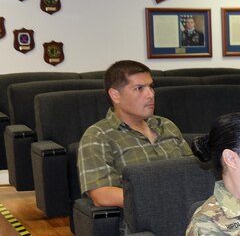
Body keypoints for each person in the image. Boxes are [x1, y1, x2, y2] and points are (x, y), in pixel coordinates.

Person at [77, 60, 192, 208]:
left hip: (189, 211)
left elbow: (191, 171)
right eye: (139, 88)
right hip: (143, 219)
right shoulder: (97, 136)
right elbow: (101, 195)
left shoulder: (166, 125)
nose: (150, 94)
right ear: (115, 95)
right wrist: (161, 199)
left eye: (151, 86)